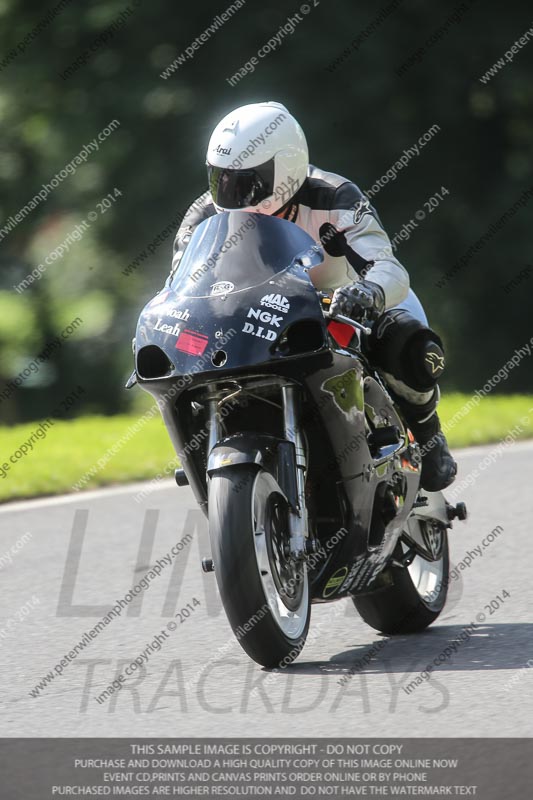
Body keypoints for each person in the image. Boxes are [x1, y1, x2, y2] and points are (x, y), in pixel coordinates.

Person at [170, 101, 456, 492]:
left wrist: (368, 291)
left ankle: (429, 435)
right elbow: (179, 285)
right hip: (260, 316)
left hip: (346, 303)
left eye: (245, 183)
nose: (230, 195)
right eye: (221, 179)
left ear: (285, 169)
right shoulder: (204, 217)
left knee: (407, 342)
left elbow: (388, 266)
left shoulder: (334, 197)